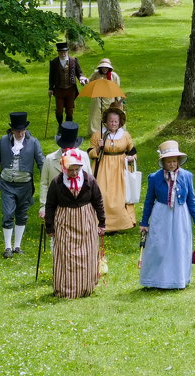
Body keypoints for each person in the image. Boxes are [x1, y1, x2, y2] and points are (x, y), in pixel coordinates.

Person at [139, 140, 195, 290]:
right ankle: (156, 279)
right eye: (169, 161)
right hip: (161, 214)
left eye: (174, 161)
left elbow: (191, 199)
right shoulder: (154, 178)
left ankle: (178, 279)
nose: (172, 164)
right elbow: (149, 200)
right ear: (163, 162)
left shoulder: (186, 176)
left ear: (178, 161)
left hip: (180, 214)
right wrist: (144, 222)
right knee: (159, 245)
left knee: (179, 245)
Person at [44, 148, 105, 299]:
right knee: (66, 255)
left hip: (86, 221)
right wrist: (49, 226)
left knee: (87, 253)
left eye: (77, 169)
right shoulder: (57, 182)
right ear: (64, 167)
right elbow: (50, 205)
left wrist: (102, 222)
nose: (75, 173)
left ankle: (86, 287)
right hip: (65, 222)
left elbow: (98, 201)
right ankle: (66, 289)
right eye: (71, 170)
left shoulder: (89, 180)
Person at [0, 111, 44, 258]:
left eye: (22, 130)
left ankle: (17, 246)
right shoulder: (3, 141)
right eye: (17, 130)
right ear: (12, 130)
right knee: (7, 214)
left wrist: (48, 181)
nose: (20, 133)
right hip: (7, 184)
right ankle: (7, 247)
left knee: (22, 214)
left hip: (25, 185)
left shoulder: (33, 142)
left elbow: (41, 163)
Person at [89, 104, 137, 233]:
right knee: (102, 194)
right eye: (111, 121)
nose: (113, 123)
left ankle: (118, 224)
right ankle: (101, 224)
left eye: (116, 121)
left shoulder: (125, 135)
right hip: (103, 168)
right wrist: (99, 147)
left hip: (120, 168)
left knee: (120, 196)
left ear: (120, 122)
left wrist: (132, 157)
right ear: (106, 121)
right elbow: (90, 153)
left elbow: (132, 151)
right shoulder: (98, 135)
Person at [39, 121, 92, 217]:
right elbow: (44, 184)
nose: (67, 150)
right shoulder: (50, 159)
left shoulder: (83, 157)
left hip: (80, 206)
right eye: (65, 147)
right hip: (57, 206)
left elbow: (90, 182)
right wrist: (43, 206)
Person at [48, 41, 87, 127]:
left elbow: (79, 73)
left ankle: (68, 127)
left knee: (69, 110)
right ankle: (60, 126)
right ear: (58, 52)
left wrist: (81, 79)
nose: (63, 54)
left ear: (67, 51)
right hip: (58, 89)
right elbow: (51, 76)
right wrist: (50, 88)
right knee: (59, 110)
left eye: (64, 52)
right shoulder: (54, 62)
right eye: (61, 52)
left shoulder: (73, 60)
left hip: (71, 89)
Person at [86, 58, 122, 137]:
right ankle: (95, 133)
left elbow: (117, 89)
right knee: (95, 116)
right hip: (97, 98)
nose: (104, 69)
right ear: (100, 68)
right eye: (103, 67)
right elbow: (90, 82)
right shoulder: (96, 74)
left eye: (106, 67)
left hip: (109, 99)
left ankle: (109, 131)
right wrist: (85, 80)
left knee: (109, 115)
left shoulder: (114, 76)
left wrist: (118, 100)